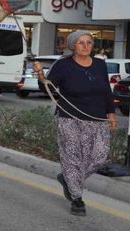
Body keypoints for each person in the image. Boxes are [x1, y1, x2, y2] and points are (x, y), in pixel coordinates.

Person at [34, 30, 117, 216]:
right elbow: (48, 87)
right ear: (73, 45)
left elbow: (106, 91)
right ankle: (77, 199)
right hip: (69, 118)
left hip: (97, 119)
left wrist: (111, 113)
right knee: (72, 159)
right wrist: (40, 73)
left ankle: (67, 179)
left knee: (99, 157)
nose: (86, 46)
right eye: (81, 43)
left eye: (89, 42)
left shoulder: (100, 64)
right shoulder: (63, 65)